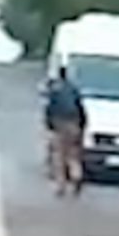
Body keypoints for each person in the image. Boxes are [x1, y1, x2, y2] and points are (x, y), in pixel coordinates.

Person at [40, 60, 88, 198]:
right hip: (74, 124)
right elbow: (81, 109)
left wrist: (49, 125)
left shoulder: (55, 90)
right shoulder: (74, 89)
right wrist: (82, 126)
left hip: (60, 124)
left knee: (59, 157)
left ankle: (61, 186)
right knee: (73, 154)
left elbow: (49, 109)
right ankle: (76, 175)